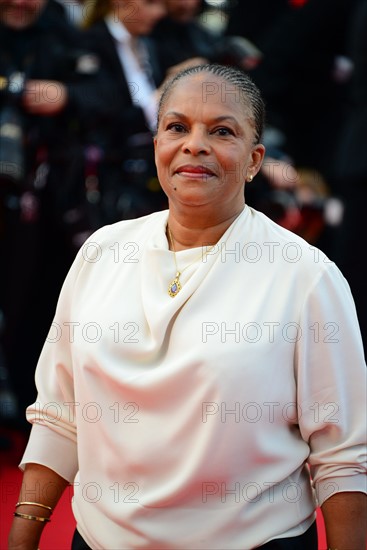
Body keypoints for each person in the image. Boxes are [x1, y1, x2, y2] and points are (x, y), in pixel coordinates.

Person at [8, 64, 366, 550]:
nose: (194, 144)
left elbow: (343, 456)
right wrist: (24, 534)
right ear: (157, 144)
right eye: (177, 127)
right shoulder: (102, 252)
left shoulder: (306, 275)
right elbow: (60, 412)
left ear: (255, 159)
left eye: (222, 131)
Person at [0, 0, 111, 433]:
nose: (23, 3)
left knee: (37, 301)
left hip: (43, 192)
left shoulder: (64, 34)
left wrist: (66, 96)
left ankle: (34, 412)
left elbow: (106, 95)